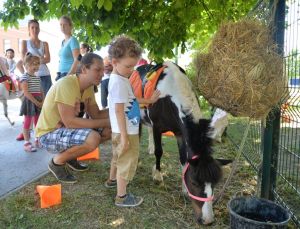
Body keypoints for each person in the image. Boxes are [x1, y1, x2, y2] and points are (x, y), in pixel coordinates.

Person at [36, 53, 111, 184]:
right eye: (97, 70)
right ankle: (57, 162)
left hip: (64, 131)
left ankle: (70, 157)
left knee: (108, 131)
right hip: (47, 134)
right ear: (84, 69)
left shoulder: (88, 88)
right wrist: (107, 121)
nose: (102, 74)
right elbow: (70, 122)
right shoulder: (67, 84)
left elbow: (97, 114)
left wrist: (119, 109)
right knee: (93, 137)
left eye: (103, 70)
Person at [105, 35, 160, 207]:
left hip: (122, 130)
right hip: (126, 130)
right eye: (128, 66)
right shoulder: (119, 83)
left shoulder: (122, 78)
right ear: (114, 62)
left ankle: (111, 180)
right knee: (126, 161)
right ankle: (121, 197)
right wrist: (124, 137)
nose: (132, 70)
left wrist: (149, 101)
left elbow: (132, 99)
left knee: (117, 156)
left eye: (134, 66)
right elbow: (119, 110)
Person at [20, 53, 44, 152]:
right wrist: (36, 102)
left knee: (37, 121)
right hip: (30, 101)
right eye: (33, 64)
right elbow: (26, 92)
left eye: (38, 64)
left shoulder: (37, 77)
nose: (36, 66)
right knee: (27, 121)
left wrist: (43, 100)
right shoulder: (25, 77)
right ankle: (26, 143)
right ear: (26, 65)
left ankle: (37, 139)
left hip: (38, 101)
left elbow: (41, 90)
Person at [56, 16, 80, 81]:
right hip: (61, 74)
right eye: (61, 25)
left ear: (70, 26)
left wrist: (69, 74)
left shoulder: (73, 40)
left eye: (65, 24)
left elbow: (78, 59)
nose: (62, 27)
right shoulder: (63, 42)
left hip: (68, 75)